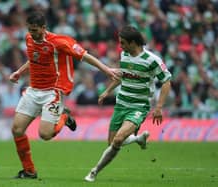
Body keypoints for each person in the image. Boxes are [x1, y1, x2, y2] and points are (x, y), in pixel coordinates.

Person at [9, 11, 121, 179]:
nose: (33, 34)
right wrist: (19, 72)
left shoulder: (59, 42)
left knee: (45, 135)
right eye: (30, 30)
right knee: (17, 130)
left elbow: (85, 56)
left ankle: (64, 117)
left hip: (52, 92)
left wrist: (106, 70)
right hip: (33, 90)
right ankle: (29, 171)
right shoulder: (29, 39)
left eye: (35, 30)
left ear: (44, 28)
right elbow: (34, 58)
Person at [84, 25, 172, 182]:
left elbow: (166, 81)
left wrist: (159, 107)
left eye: (123, 43)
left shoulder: (152, 60)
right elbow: (122, 75)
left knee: (118, 140)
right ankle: (138, 139)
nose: (121, 46)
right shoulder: (124, 55)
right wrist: (107, 91)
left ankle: (94, 171)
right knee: (112, 143)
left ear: (133, 43)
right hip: (121, 104)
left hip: (138, 106)